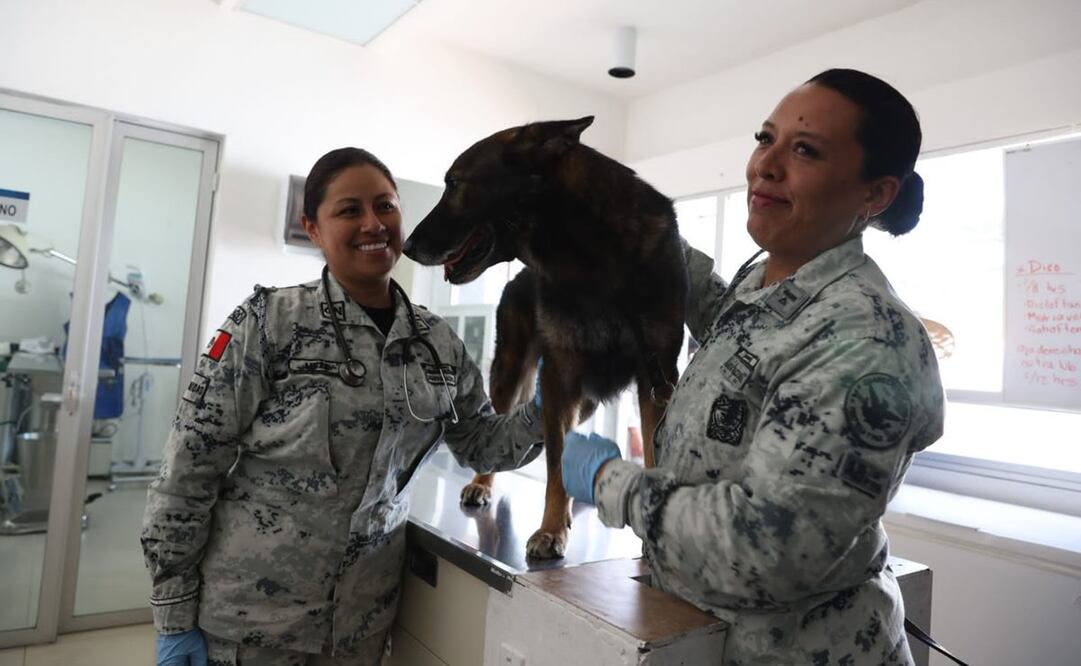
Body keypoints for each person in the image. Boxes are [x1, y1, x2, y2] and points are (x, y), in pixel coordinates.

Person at [560, 68, 945, 665]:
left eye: (806, 150)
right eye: (765, 139)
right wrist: (648, 242)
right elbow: (743, 341)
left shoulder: (866, 339)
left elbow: (769, 547)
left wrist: (611, 480)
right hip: (704, 633)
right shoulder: (765, 277)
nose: (765, 164)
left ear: (875, 194)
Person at [142, 148, 544, 666]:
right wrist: (173, 614)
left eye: (386, 206)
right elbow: (187, 472)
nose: (373, 224)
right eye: (350, 210)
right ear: (313, 227)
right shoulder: (268, 324)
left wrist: (547, 410)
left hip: (359, 631)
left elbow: (482, 444)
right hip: (250, 629)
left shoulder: (438, 344)